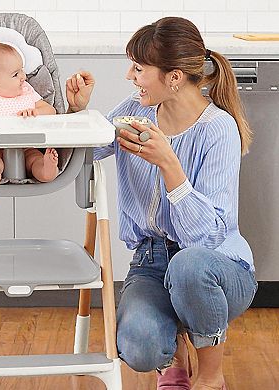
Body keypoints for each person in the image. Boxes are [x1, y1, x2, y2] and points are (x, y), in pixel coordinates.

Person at [66, 17, 257, 390]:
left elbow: (209, 236)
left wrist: (170, 165)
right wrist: (79, 116)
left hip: (218, 267)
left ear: (172, 77)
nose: (129, 76)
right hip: (151, 260)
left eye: (139, 69)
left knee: (188, 266)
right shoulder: (136, 113)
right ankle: (173, 356)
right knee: (139, 346)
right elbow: (85, 154)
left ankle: (211, 375)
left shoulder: (218, 129)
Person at [0, 41, 58, 194]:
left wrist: (36, 111)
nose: (23, 77)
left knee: (34, 158)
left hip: (26, 145)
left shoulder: (26, 92)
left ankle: (46, 170)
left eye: (22, 70)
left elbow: (51, 110)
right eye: (16, 74)